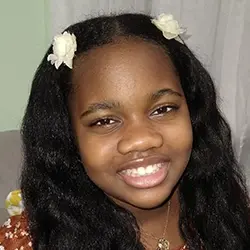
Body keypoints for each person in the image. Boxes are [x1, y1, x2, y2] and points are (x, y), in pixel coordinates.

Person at [0, 12, 249, 250]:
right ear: (67, 137)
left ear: (194, 113)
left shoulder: (234, 219)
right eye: (105, 121)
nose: (141, 140)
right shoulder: (29, 242)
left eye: (163, 109)